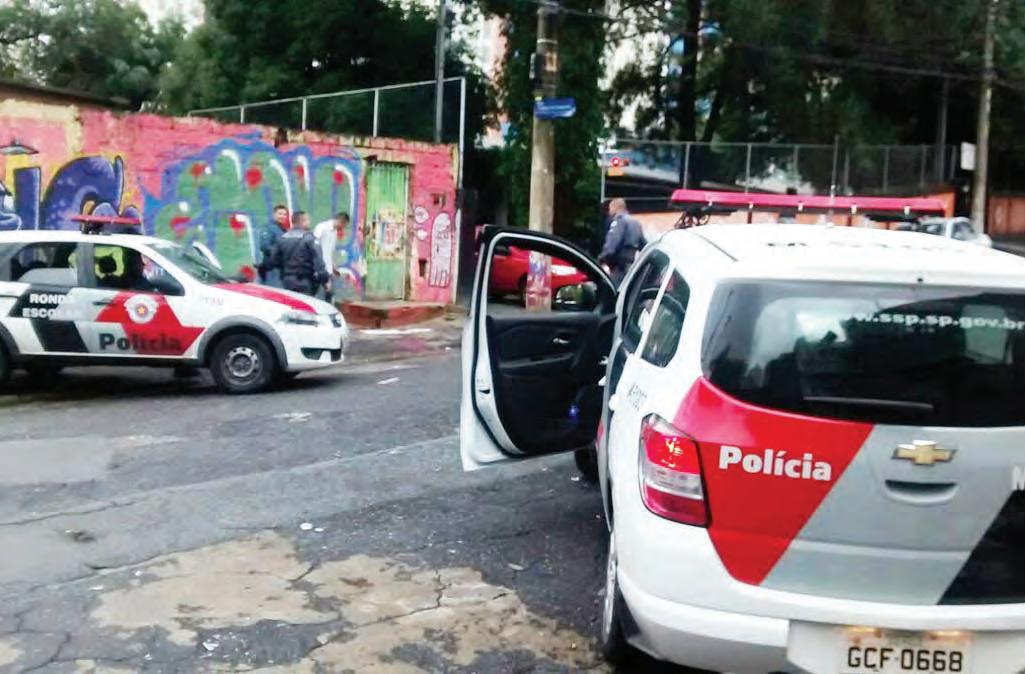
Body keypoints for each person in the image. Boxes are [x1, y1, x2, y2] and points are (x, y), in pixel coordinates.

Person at [265, 211, 328, 296]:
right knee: (305, 303)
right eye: (307, 220)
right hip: (306, 281)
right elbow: (318, 261)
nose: (309, 223)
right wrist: (324, 279)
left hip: (287, 280)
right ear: (303, 221)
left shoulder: (282, 238)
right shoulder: (309, 239)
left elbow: (273, 260)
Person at [598, 198, 645, 285]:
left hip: (619, 266)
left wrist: (602, 259)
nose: (609, 212)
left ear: (615, 208)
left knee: (612, 289)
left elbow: (612, 244)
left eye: (610, 209)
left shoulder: (619, 221)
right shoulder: (636, 223)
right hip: (631, 265)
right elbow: (644, 246)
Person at [313, 212, 349, 304]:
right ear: (341, 221)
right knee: (316, 296)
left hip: (328, 270)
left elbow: (329, 252)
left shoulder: (335, 232)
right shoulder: (322, 227)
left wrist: (333, 266)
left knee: (328, 295)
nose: (343, 228)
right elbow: (313, 247)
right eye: (344, 225)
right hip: (319, 269)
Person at [258, 205, 290, 286]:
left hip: (281, 269)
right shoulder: (268, 228)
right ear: (274, 214)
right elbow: (264, 246)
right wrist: (280, 252)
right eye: (280, 214)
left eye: (284, 214)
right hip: (272, 270)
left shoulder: (283, 230)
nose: (282, 216)